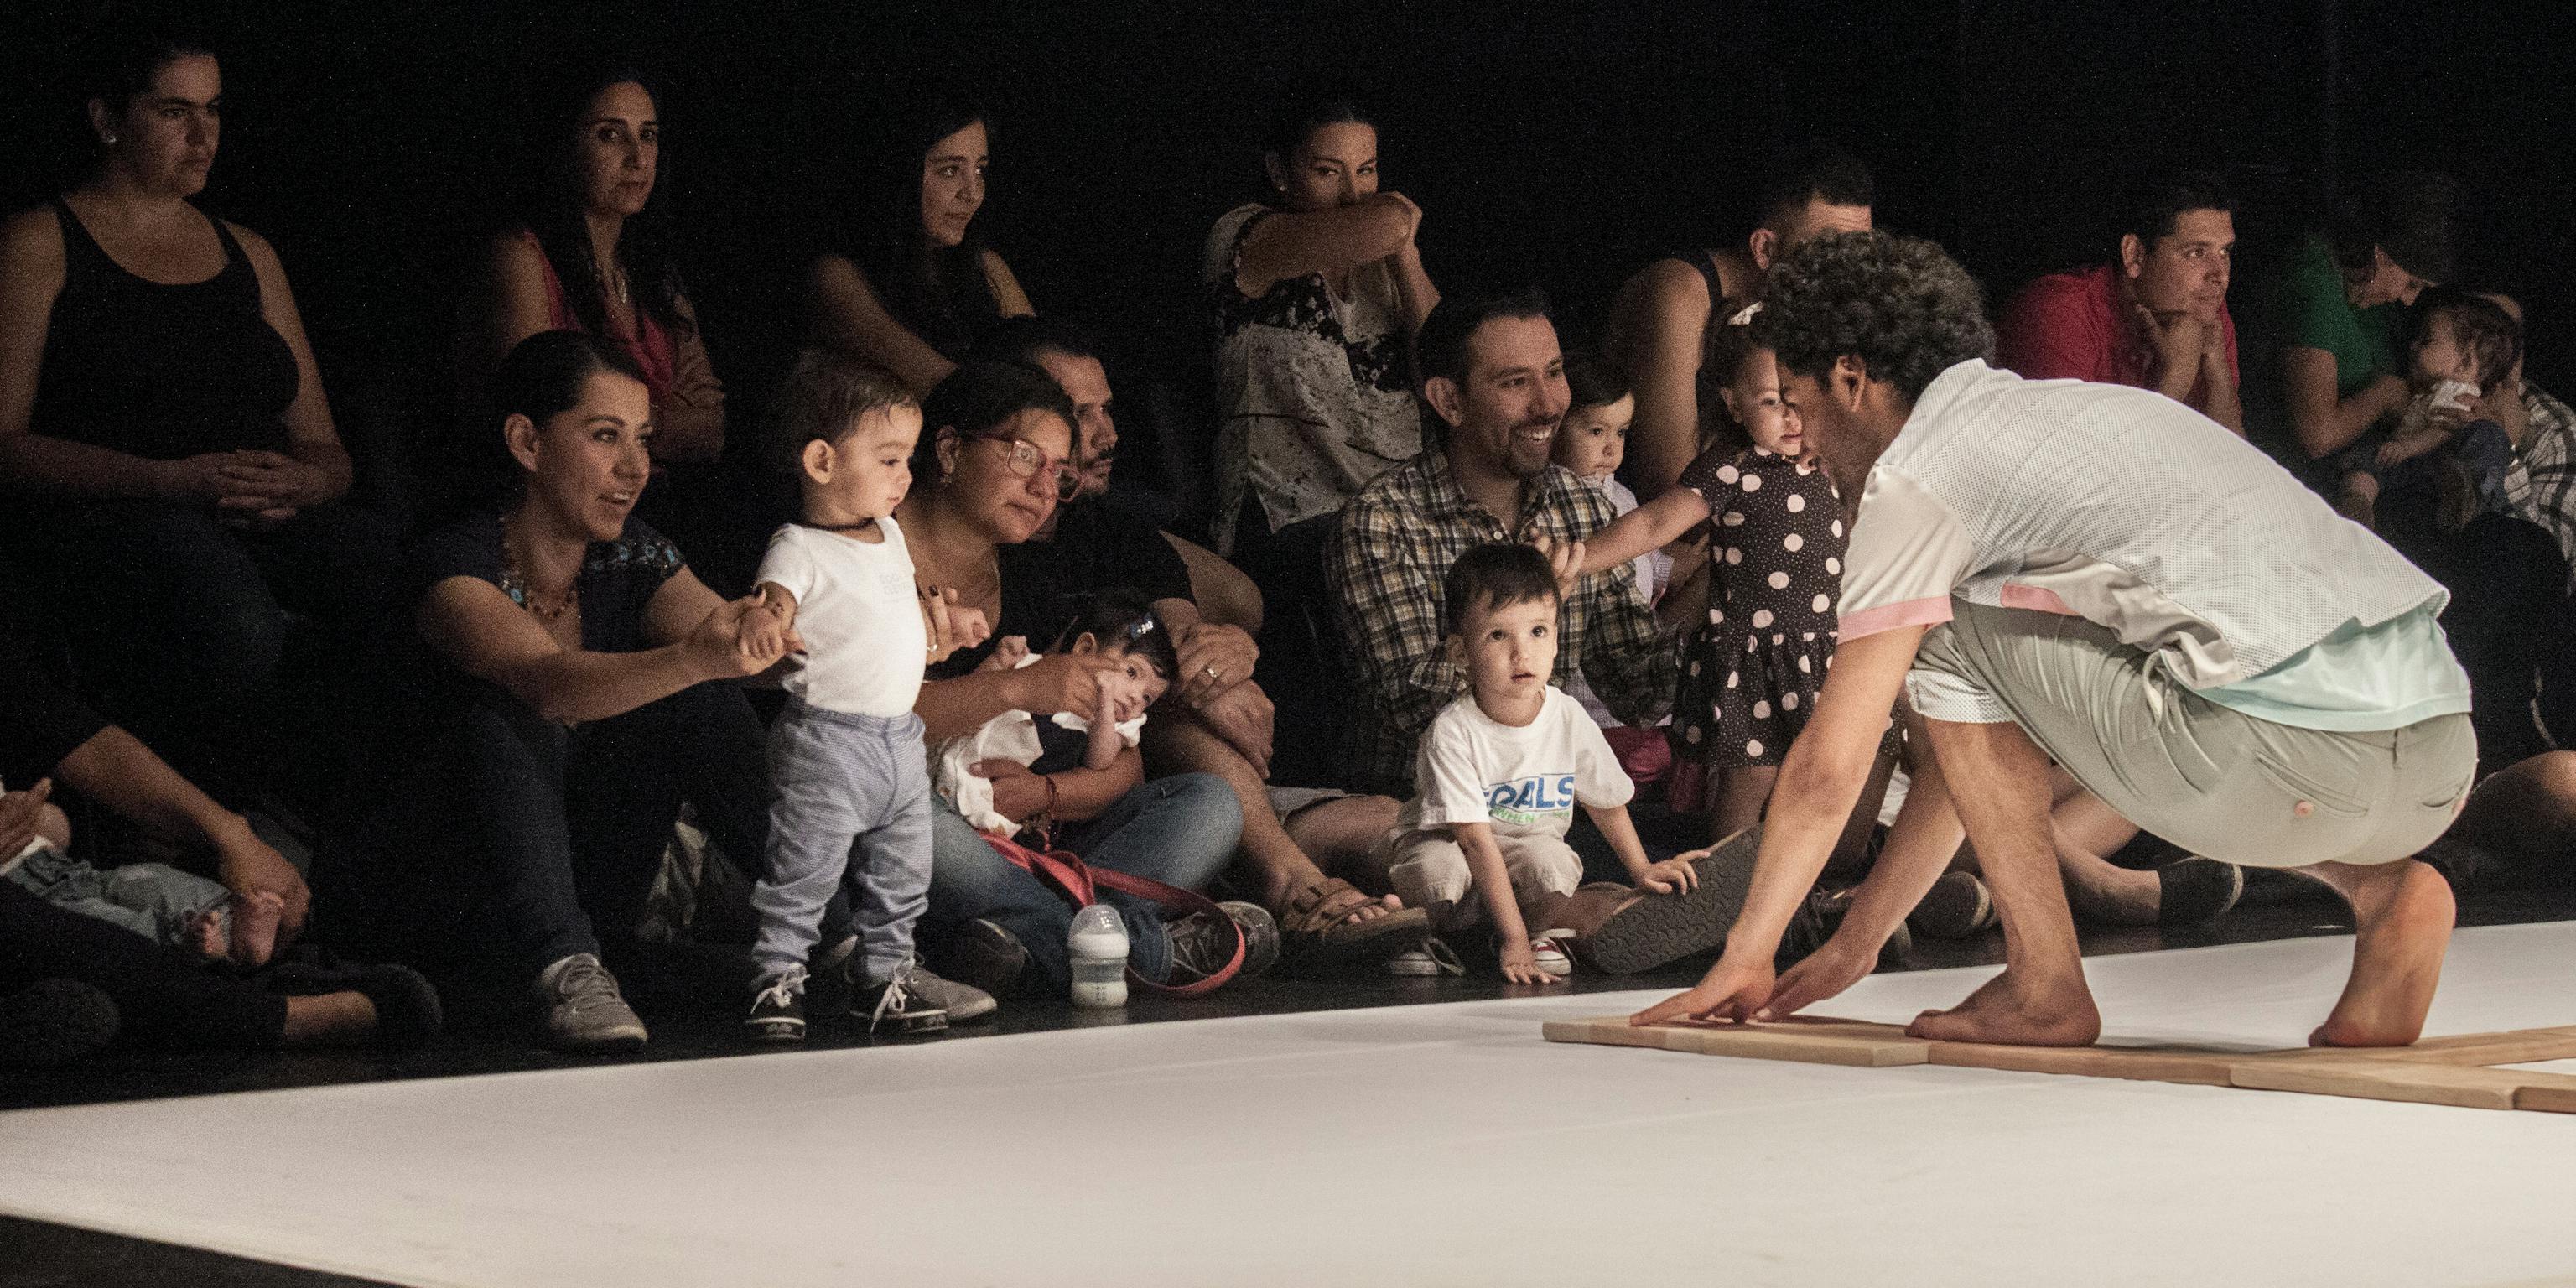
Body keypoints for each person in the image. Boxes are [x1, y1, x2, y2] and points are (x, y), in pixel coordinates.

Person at [1638, 231, 2475, 1052]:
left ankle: (2044, 984)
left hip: (2286, 759)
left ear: (1852, 379)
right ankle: (2381, 892)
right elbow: (1972, 762)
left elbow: (1832, 763)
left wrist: (1746, 955)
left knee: (1948, 626)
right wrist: (1858, 942)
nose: (1799, 439)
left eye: (1799, 401)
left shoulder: (1921, 476)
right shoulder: (2083, 410)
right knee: (1971, 638)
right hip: (2437, 752)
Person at [326, 331, 782, 1054]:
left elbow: (757, 648)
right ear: (527, 443)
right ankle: (563, 965)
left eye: (643, 440)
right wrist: (700, 657)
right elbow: (549, 686)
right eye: (605, 437)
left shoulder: (632, 554)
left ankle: (835, 936)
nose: (634, 468)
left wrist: (847, 626)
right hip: (436, 899)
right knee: (516, 708)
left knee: (704, 700)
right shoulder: (453, 564)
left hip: (585, 892)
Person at [0, 33, 392, 789]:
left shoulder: (248, 251)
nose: (204, 135)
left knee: (400, 574)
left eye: (213, 111)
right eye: (175, 112)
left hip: (250, 508)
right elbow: (4, 442)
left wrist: (308, 485)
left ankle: (361, 824)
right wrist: (165, 481)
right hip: (114, 507)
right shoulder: (42, 241)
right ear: (109, 119)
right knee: (228, 616)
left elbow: (325, 447)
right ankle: (197, 813)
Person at [984, 316, 1428, 970]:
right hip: (991, 808)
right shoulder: (984, 542)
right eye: (1081, 415)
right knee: (1166, 711)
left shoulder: (1112, 531)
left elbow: (1184, 636)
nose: (1108, 435)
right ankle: (1158, 933)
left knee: (1204, 771)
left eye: (1107, 410)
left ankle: (1283, 888)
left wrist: (1220, 664)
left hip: (1096, 807)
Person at [896, 361, 1263, 999]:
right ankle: (1130, 946)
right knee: (900, 815)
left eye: (1059, 475)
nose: (1043, 488)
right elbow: (859, 730)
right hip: (928, 820)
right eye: (1022, 456)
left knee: (1210, 804)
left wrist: (1042, 794)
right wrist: (1012, 690)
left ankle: (1009, 943)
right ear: (950, 449)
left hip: (1034, 847)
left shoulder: (1033, 583)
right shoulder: (866, 557)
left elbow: (1124, 768)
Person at [2, 601, 439, 1054]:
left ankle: (245, 960)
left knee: (173, 892)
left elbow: (62, 731)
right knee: (107, 932)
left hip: (50, 867)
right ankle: (264, 1013)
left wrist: (230, 836)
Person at [734, 351, 997, 1042]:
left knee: (904, 873)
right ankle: (777, 979)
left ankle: (885, 977)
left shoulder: (891, 535)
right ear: (821, 462)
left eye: (908, 458)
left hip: (898, 740)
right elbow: (774, 601)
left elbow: (899, 609)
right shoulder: (797, 546)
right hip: (827, 741)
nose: (906, 476)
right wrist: (766, 620)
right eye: (888, 459)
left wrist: (949, 628)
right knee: (804, 870)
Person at [1545, 306, 1870, 843]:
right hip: (1758, 660)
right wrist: (1579, 555)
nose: (1790, 417)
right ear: (1733, 404)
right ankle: (1721, 901)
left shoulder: (1833, 461)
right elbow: (1651, 524)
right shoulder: (1730, 468)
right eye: (1770, 402)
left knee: (1838, 781)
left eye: (1798, 399)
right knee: (1751, 786)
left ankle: (1823, 896)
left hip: (1831, 652)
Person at [1380, 544, 1706, 983]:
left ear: (1556, 636)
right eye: (1498, 636)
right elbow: (1476, 844)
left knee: (1551, 862)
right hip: (1452, 845)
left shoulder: (1567, 715)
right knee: (1442, 872)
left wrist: (1642, 868)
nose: (1522, 653)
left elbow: (1605, 802)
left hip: (1516, 852)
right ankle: (1423, 931)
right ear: (1460, 653)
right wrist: (1513, 941)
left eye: (1537, 631)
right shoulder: (1453, 731)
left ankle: (1534, 931)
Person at [457, 65, 727, 552]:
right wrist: (660, 425)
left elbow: (711, 430)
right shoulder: (523, 257)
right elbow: (544, 416)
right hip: (559, 516)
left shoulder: (654, 276)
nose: (637, 157)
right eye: (610, 135)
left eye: (648, 136)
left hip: (657, 500)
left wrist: (620, 426)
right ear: (566, 147)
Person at [1602, 147, 1874, 497]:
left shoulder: (1825, 299)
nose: (1849, 274)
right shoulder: (1680, 293)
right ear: (1764, 249)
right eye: (1826, 254)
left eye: (1861, 254)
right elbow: (1669, 487)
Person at [809, 86, 1033, 395]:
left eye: (980, 169)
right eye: (951, 170)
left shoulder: (987, 267)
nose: (973, 193)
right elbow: (954, 393)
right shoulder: (837, 277)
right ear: (898, 174)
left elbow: (1049, 370)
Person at [1997, 169, 2242, 433]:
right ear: (2134, 255)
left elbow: (2239, 465)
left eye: (2224, 251)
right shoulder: (2059, 315)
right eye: (2196, 253)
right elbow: (2071, 464)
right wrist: (2175, 377)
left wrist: (2217, 369)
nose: (2220, 274)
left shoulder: (2203, 309)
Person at [936, 592, 1173, 833]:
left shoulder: (1114, 725)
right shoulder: (1037, 669)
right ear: (1084, 648)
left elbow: (1099, 759)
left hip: (994, 815)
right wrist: (998, 663)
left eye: (1147, 698)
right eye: (1131, 672)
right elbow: (979, 696)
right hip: (945, 767)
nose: (1135, 697)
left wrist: (1103, 708)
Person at [2269, 171, 2459, 469]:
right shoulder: (2313, 284)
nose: (2409, 299)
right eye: (2412, 283)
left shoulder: (2367, 293)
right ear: (2380, 253)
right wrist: (2386, 394)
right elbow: (2318, 436)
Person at [4, 776, 282, 965]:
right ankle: (192, 942)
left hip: (58, 865)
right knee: (118, 926)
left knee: (155, 883)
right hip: (30, 893)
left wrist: (36, 819)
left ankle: (234, 921)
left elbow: (53, 825)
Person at [2333, 288, 2521, 532]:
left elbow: (2444, 431)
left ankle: (2466, 494)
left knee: (2489, 436)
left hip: (2440, 465)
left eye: (2426, 340)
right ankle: (2358, 503)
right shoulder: (2420, 392)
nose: (2413, 346)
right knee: (2369, 458)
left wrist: (2406, 446)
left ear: (2464, 364)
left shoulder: (2461, 395)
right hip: (2411, 469)